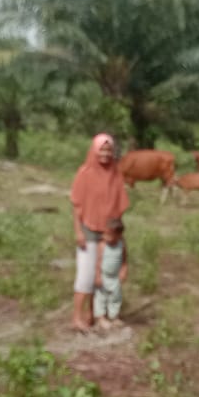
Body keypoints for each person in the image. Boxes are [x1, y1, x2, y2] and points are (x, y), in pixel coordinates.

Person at [69, 133, 129, 334]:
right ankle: (76, 317)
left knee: (103, 275)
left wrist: (117, 233)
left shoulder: (115, 174)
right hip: (88, 229)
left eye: (108, 150)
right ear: (94, 150)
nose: (105, 154)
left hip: (108, 232)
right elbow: (77, 206)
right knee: (86, 275)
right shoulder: (84, 173)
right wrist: (78, 231)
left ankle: (93, 314)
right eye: (101, 150)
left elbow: (119, 205)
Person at [94, 217, 129, 326]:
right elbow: (98, 262)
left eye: (109, 235)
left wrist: (124, 270)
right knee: (101, 297)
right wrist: (98, 276)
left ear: (118, 235)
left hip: (115, 277)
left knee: (116, 297)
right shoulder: (102, 245)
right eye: (105, 234)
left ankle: (114, 316)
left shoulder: (121, 245)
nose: (105, 237)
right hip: (104, 276)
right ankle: (101, 317)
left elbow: (124, 259)